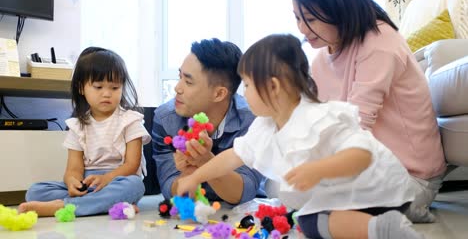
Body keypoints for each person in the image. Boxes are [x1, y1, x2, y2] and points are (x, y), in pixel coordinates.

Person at [177, 34, 423, 239]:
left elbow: (362, 155)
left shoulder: (318, 117)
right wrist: (196, 176)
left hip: (375, 192)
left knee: (309, 221)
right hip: (350, 196)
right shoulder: (265, 126)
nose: (244, 93)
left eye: (248, 86)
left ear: (273, 87)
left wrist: (318, 170)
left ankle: (384, 228)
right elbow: (234, 156)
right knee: (304, 214)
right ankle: (390, 216)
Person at [291, 0, 446, 223]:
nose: (301, 28)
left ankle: (406, 206)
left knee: (321, 209)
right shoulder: (322, 58)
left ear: (338, 8)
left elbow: (357, 123)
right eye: (297, 18)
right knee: (283, 186)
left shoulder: (379, 43)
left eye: (309, 19)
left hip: (410, 174)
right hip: (364, 167)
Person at [19, 47, 151, 217]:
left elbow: (132, 166)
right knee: (35, 191)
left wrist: (106, 179)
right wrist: (72, 182)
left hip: (118, 179)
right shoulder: (77, 125)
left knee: (134, 185)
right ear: (81, 88)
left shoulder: (131, 120)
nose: (106, 93)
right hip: (87, 182)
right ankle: (103, 204)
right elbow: (73, 169)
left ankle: (64, 207)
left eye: (115, 87)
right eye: (98, 87)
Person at [152, 38, 265, 205]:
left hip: (241, 215)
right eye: (180, 77)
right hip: (192, 212)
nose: (177, 88)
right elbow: (170, 189)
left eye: (188, 82)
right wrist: (188, 172)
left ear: (219, 94)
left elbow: (244, 192)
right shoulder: (166, 119)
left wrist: (204, 160)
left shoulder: (251, 121)